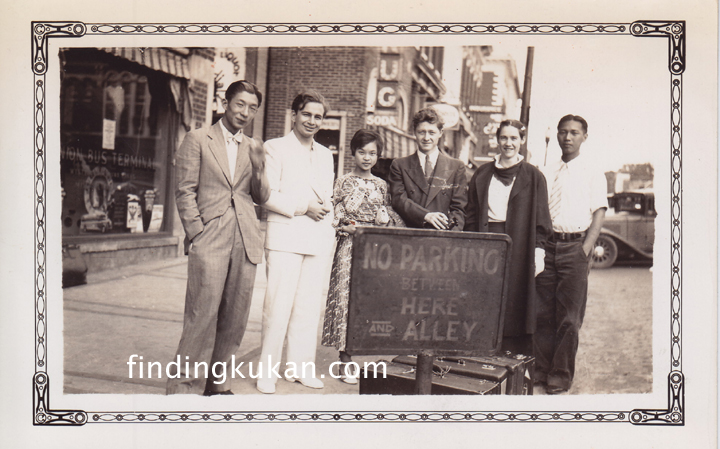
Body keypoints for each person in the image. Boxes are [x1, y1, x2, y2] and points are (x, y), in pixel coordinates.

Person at [167, 80, 269, 395]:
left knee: (235, 317)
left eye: (252, 108)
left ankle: (216, 383)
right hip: (210, 235)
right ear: (225, 102)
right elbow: (184, 190)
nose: (246, 112)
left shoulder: (253, 145)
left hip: (245, 237)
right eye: (240, 104)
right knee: (202, 312)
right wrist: (197, 231)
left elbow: (261, 197)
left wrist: (258, 167)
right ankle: (184, 387)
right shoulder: (197, 139)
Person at [256, 90, 336, 394]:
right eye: (307, 114)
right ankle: (267, 371)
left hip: (316, 237)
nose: (312, 121)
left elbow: (326, 197)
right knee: (277, 307)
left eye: (318, 116)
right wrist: (304, 207)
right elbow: (266, 195)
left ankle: (299, 368)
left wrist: (326, 217)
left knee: (307, 308)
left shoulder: (326, 154)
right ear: (294, 114)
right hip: (285, 237)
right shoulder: (274, 148)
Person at [321, 129, 405, 384]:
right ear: (353, 152)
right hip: (349, 246)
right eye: (362, 152)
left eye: (372, 153)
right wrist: (347, 226)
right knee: (347, 299)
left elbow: (388, 215)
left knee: (368, 301)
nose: (367, 158)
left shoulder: (382, 185)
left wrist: (383, 224)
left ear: (378, 156)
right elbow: (334, 213)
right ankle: (345, 360)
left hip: (374, 248)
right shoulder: (343, 181)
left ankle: (362, 355)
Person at [464, 119, 553, 357]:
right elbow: (471, 215)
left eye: (514, 138)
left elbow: (542, 218)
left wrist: (538, 250)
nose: (508, 143)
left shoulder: (534, 177)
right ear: (497, 140)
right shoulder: (482, 174)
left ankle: (512, 357)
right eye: (504, 138)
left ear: (522, 141)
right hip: (486, 242)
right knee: (485, 295)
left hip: (519, 244)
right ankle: (483, 351)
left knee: (515, 298)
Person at [534, 114, 608, 395]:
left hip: (574, 246)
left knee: (569, 316)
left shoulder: (592, 172)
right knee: (542, 311)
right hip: (547, 246)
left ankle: (560, 374)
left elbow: (599, 211)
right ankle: (541, 370)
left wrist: (585, 247)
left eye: (574, 133)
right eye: (563, 132)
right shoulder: (546, 169)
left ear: (584, 137)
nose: (567, 138)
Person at [388, 108, 467, 231]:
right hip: (409, 237)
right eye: (421, 132)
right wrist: (425, 216)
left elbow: (459, 208)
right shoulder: (399, 165)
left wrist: (451, 235)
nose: (426, 138)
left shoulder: (456, 167)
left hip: (442, 237)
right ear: (414, 132)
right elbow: (399, 200)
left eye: (431, 132)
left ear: (440, 133)